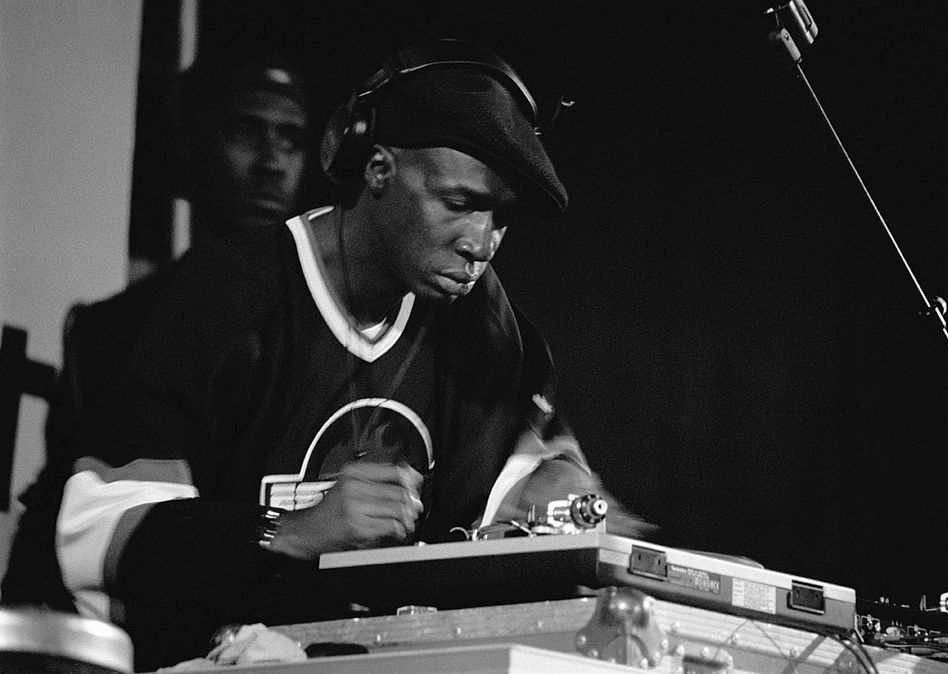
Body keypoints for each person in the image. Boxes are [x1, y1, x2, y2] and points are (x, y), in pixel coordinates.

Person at [49, 39, 647, 670]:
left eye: (501, 217)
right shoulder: (218, 299)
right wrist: (290, 530)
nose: (481, 243)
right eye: (460, 203)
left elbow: (527, 503)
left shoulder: (485, 329)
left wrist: (590, 520)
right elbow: (96, 533)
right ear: (379, 169)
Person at [0, 52, 311, 615]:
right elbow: (68, 513)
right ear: (189, 147)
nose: (272, 162)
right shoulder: (111, 328)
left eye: (290, 139)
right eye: (246, 131)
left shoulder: (326, 325)